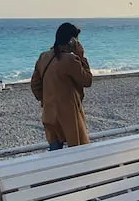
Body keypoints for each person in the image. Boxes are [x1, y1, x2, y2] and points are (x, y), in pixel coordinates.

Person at [31, 22, 93, 150]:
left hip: (49, 113)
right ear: (72, 41)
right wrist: (81, 56)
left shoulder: (44, 57)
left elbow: (35, 85)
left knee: (55, 152)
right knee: (77, 152)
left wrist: (46, 100)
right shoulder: (70, 60)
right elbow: (87, 80)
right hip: (69, 117)